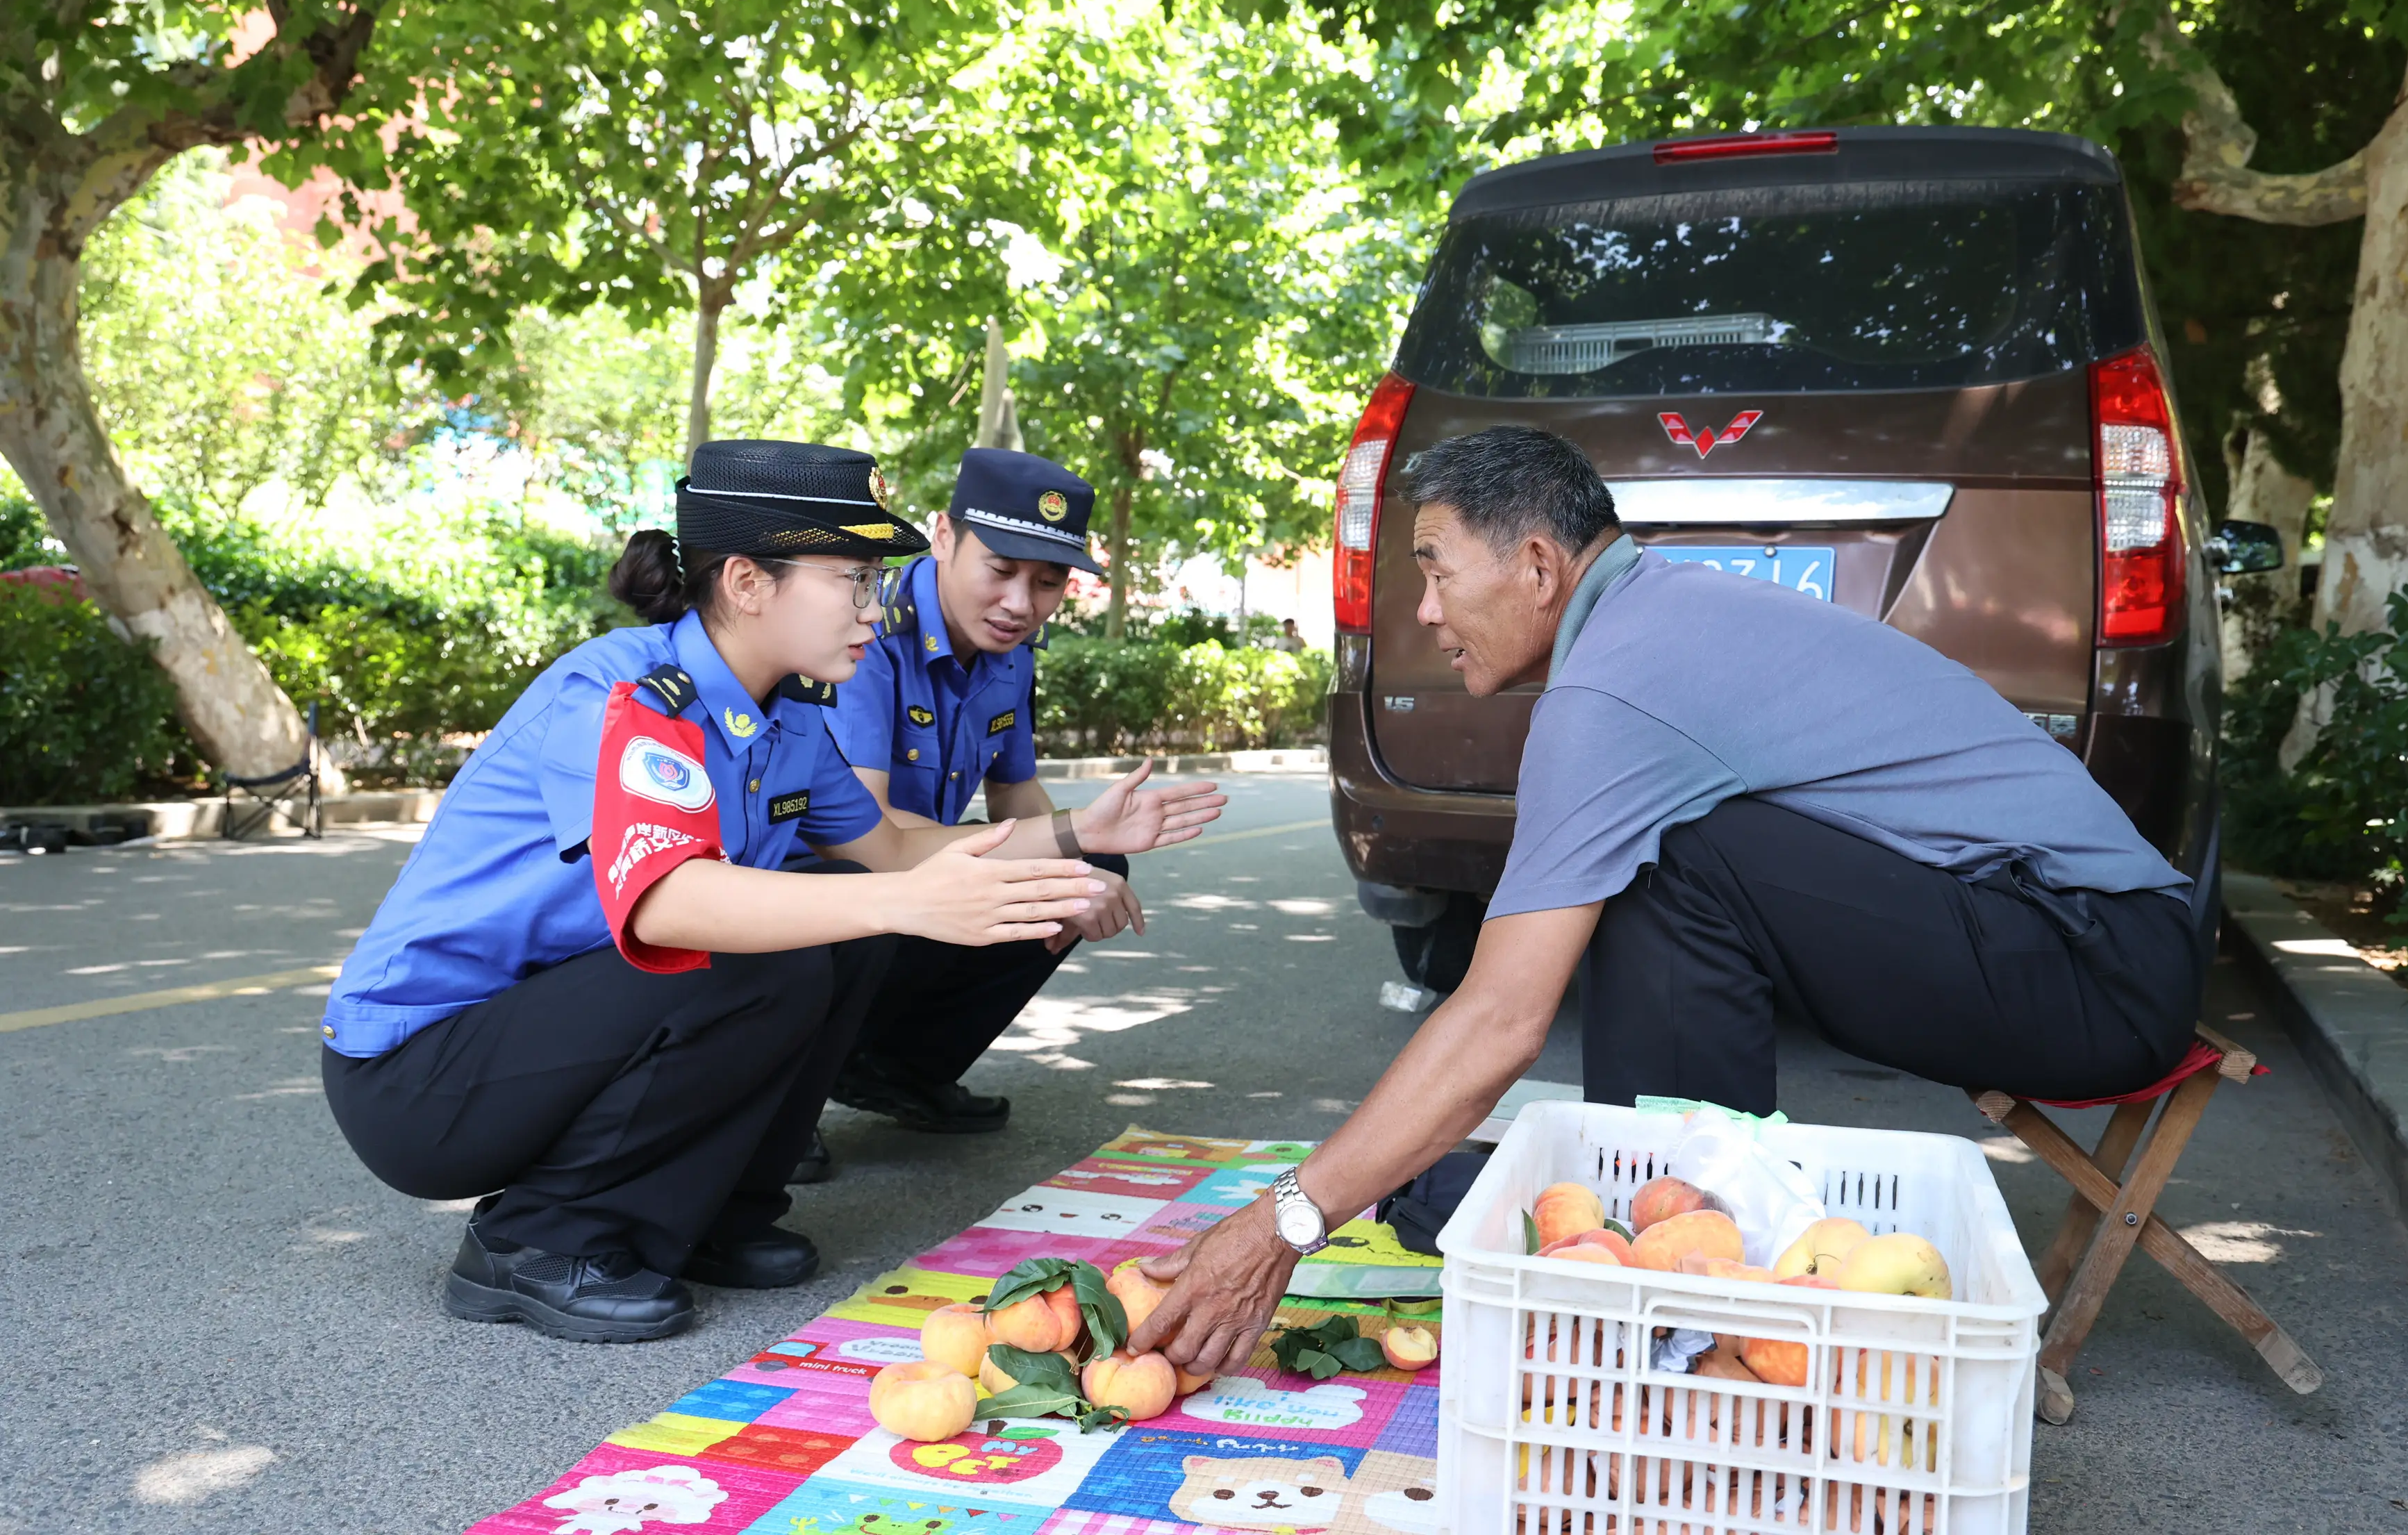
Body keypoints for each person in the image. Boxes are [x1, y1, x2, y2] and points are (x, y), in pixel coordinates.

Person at [1128, 424, 2203, 1375]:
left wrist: (1286, 1222)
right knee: (1657, 854)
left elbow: (1502, 1017)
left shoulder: (1613, 690)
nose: (1424, 610)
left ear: (1540, 565)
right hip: (2077, 941)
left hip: (2093, 966)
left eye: (1435, 572)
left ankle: (1682, 1271)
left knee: (1669, 857)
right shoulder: (1664, 615)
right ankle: (1665, 1226)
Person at [320, 440, 1222, 1344]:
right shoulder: (631, 695)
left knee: (832, 922)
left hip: (539, 1036)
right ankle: (534, 1243)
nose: (875, 610)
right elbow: (667, 905)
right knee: (758, 953)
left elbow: (896, 846)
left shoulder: (785, 715)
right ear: (749, 583)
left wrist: (1082, 835)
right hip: (419, 1080)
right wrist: (896, 904)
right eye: (853, 581)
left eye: (877, 583)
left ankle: (717, 1209)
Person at [809, 447, 1138, 1144]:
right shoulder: (870, 633)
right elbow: (863, 830)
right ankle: (789, 1087)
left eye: (1048, 582)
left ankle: (901, 1069)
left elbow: (1014, 787)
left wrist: (1078, 869)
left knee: (1091, 870)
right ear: (945, 536)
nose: (1021, 604)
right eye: (1000, 569)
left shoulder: (1011, 654)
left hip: (922, 864)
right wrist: (1052, 850)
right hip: (823, 877)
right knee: (1009, 864)